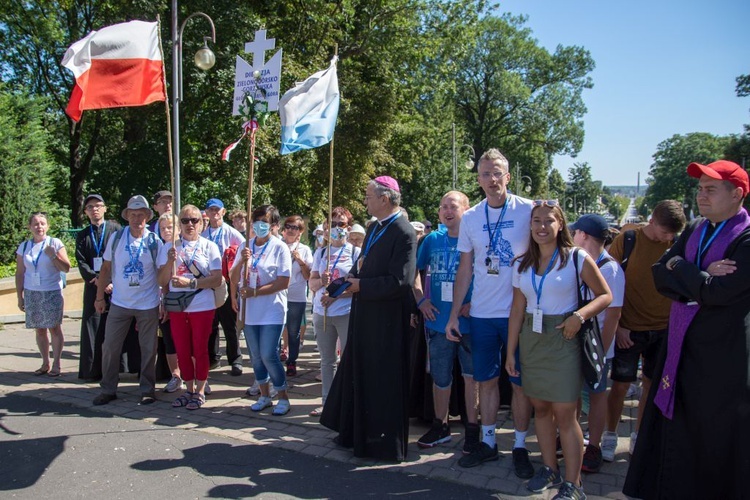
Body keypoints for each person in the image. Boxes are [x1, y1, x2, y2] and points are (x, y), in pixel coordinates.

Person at [624, 161, 750, 499]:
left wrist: (682, 269)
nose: (701, 195)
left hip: (720, 358)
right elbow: (659, 274)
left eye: (710, 189)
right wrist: (697, 273)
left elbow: (719, 292)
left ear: (737, 194)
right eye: (700, 188)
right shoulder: (696, 228)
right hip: (682, 347)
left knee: (710, 436)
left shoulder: (747, 237)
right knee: (676, 430)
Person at [506, 201, 611, 499]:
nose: (541, 226)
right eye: (536, 220)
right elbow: (516, 309)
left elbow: (605, 295)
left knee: (565, 412)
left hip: (564, 338)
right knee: (540, 407)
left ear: (560, 224)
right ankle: (549, 468)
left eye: (548, 221)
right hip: (532, 340)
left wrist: (580, 316)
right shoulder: (520, 263)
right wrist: (511, 352)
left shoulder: (576, 258)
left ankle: (574, 483)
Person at [444, 149, 535, 477]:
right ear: (478, 179)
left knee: (521, 383)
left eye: (497, 173)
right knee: (486, 381)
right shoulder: (471, 218)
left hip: (518, 313)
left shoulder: (528, 210)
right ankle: (488, 442)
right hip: (482, 314)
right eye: (485, 174)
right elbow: (464, 269)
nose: (492, 179)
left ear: (507, 176)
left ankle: (522, 446)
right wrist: (455, 315)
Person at [321, 176, 417, 462]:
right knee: (359, 374)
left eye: (368, 196)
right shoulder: (375, 227)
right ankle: (354, 435)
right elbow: (362, 265)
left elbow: (401, 281)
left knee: (381, 380)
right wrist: (344, 282)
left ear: (385, 199)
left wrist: (361, 286)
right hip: (365, 314)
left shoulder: (404, 231)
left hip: (386, 321)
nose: (365, 201)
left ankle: (380, 445)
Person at [603, 200, 686, 460]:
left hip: (663, 328)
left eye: (673, 234)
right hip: (630, 329)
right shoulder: (628, 240)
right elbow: (608, 285)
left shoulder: (675, 245)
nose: (668, 238)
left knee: (650, 385)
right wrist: (619, 327)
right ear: (652, 221)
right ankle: (610, 434)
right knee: (620, 385)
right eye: (665, 232)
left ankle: (638, 436)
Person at [413, 191, 478, 451]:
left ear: (466, 209)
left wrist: (476, 303)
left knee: (472, 377)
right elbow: (414, 273)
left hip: (470, 323)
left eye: (452, 206)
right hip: (437, 323)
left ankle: (473, 429)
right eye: (442, 207)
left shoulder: (476, 239)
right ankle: (440, 426)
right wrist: (421, 300)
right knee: (440, 377)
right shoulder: (431, 240)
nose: (447, 211)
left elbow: (490, 275)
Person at [93, 195, 164, 406]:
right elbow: (105, 269)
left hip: (147, 303)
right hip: (120, 303)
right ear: (127, 217)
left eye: (140, 214)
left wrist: (163, 301)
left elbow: (162, 274)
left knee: (149, 348)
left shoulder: (154, 241)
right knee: (110, 347)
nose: (136, 218)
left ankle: (147, 389)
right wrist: (99, 297)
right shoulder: (116, 239)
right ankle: (108, 389)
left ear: (147, 217)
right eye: (132, 214)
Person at [570, 214, 625, 473]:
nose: (571, 238)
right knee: (577, 394)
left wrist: (600, 353)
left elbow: (613, 314)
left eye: (575, 233)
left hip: (598, 346)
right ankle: (575, 437)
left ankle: (594, 445)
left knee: (596, 395)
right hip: (579, 343)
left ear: (584, 236)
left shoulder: (610, 268)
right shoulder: (583, 262)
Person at [157, 205, 222, 410]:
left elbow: (217, 279)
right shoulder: (170, 247)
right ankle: (189, 388)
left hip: (202, 305)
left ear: (201, 224)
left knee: (200, 349)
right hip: (178, 307)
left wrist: (191, 284)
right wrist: (169, 262)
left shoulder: (209, 247)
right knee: (182, 350)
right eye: (185, 221)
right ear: (179, 224)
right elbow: (161, 280)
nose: (190, 224)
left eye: (194, 220)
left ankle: (201, 389)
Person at [230, 205, 293, 415]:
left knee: (268, 354)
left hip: (272, 310)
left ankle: (282, 395)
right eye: (256, 221)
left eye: (264, 222)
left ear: (274, 226)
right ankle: (264, 395)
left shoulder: (279, 247)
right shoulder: (245, 246)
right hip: (250, 311)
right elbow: (233, 276)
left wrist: (255, 292)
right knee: (256, 356)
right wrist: (242, 261)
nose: (259, 225)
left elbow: (284, 281)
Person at [308, 207, 359, 416]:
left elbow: (357, 286)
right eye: (333, 224)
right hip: (323, 313)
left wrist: (336, 294)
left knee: (348, 359)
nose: (338, 228)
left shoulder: (355, 253)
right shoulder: (321, 252)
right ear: (326, 229)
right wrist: (322, 281)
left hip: (345, 312)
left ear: (348, 227)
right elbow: (312, 284)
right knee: (327, 360)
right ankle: (327, 402)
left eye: (342, 224)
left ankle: (347, 402)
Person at [16, 212, 71, 377]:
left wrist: (53, 255)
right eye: (35, 224)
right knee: (39, 330)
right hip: (32, 292)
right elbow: (20, 273)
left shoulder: (55, 243)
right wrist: (20, 296)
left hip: (52, 291)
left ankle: (57, 364)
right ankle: (45, 362)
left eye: (42, 223)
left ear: (47, 226)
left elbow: (66, 268)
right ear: (29, 227)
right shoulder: (24, 247)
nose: (39, 227)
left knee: (55, 328)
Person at [76, 194, 121, 381]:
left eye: (98, 206)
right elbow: (81, 260)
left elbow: (121, 257)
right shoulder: (83, 234)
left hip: (116, 287)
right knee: (92, 327)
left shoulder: (116, 230)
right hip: (93, 286)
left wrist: (110, 281)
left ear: (105, 208)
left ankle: (118, 369)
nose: (94, 209)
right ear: (86, 212)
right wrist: (97, 280)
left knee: (116, 327)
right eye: (90, 207)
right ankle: (93, 370)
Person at [202, 198, 245, 374]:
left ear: (223, 212)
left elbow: (244, 249)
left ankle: (235, 359)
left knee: (229, 324)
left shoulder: (230, 232)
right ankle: (212, 358)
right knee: (211, 323)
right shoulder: (203, 234)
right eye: (211, 210)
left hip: (227, 282)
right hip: (209, 282)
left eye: (217, 209)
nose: (214, 213)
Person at [280, 215, 313, 377]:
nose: (291, 230)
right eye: (289, 226)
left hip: (296, 296)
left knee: (293, 331)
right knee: (275, 328)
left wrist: (300, 261)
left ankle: (292, 361)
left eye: (296, 227)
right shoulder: (277, 245)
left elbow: (308, 276)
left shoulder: (305, 250)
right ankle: (274, 359)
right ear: (283, 229)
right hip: (277, 294)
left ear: (300, 231)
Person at [156, 213, 184, 393]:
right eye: (163, 228)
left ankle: (197, 375)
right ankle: (176, 375)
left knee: (188, 340)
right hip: (168, 300)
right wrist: (164, 302)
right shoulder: (162, 248)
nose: (166, 231)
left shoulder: (186, 244)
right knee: (170, 340)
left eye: (170, 227)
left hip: (189, 299)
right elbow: (162, 280)